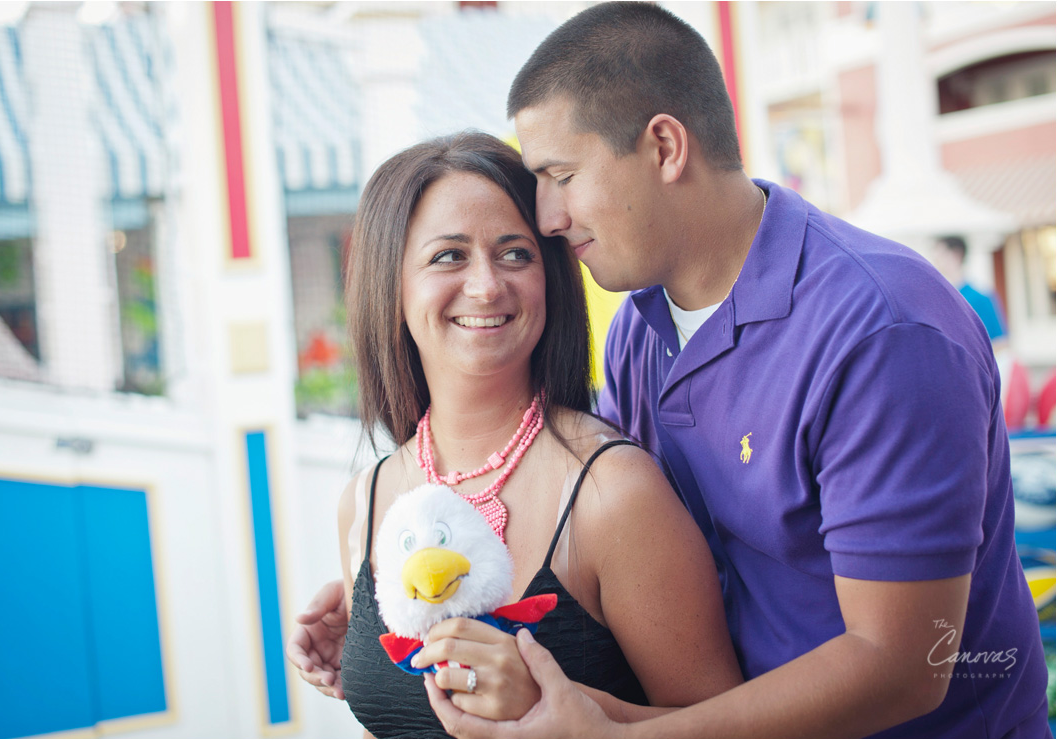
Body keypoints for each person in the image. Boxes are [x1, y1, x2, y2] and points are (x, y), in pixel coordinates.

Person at [419, 3, 1051, 738]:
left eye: (561, 174)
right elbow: (588, 522)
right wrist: (401, 588)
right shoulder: (637, 330)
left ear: (664, 146)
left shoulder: (882, 330)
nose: (549, 216)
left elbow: (902, 667)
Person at [293, 130, 742, 738]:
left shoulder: (611, 493)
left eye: (515, 253)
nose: (486, 285)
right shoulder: (366, 500)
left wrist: (556, 703)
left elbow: (729, 725)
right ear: (390, 286)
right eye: (449, 255)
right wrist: (365, 654)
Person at [931, 235, 1009, 347]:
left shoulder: (981, 299)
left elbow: (999, 341)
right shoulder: (937, 298)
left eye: (939, 256)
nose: (935, 262)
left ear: (955, 255)